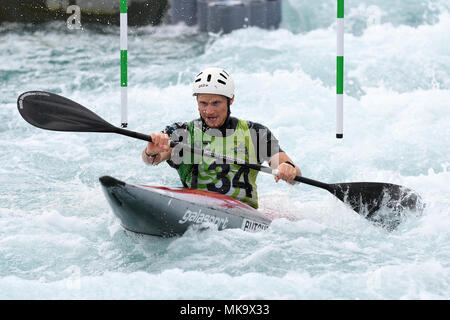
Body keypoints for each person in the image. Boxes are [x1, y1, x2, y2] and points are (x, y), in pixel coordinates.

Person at [142, 67, 301, 209]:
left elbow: (287, 167)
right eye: (203, 103)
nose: (209, 111)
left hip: (243, 216)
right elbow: (153, 159)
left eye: (216, 103)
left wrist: (287, 167)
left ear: (230, 100)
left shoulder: (254, 133)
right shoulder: (183, 132)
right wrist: (151, 151)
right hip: (194, 207)